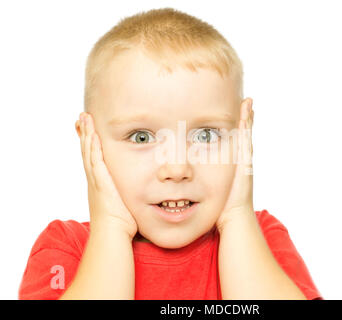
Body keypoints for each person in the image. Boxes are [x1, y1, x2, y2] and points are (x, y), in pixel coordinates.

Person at [18, 7, 322, 300]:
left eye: (206, 135)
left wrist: (237, 216)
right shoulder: (64, 248)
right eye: (141, 137)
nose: (177, 168)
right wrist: (110, 227)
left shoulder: (262, 238)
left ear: (242, 138)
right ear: (90, 143)